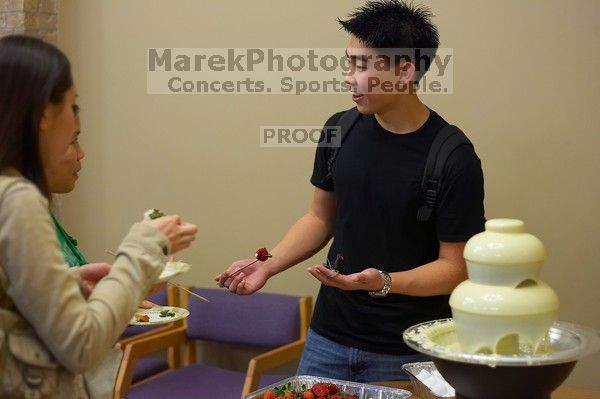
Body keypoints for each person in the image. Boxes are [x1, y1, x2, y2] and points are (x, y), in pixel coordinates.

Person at [216, 0, 485, 382]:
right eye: (348, 63)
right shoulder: (338, 129)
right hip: (329, 336)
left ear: (404, 70)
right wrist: (268, 263)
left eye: (361, 65)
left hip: (407, 348)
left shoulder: (453, 157)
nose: (347, 78)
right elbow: (319, 217)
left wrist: (383, 282)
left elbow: (455, 268)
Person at [0, 35, 198, 398]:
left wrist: (70, 283)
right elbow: (80, 346)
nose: (76, 122)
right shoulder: (17, 200)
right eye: (73, 106)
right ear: (44, 113)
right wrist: (142, 249)